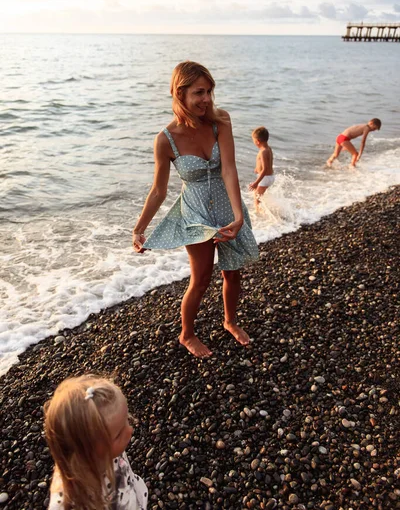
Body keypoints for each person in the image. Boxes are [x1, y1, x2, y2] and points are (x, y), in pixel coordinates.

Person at [132, 61, 258, 359]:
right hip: (196, 214)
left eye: (210, 91)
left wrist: (239, 216)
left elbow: (228, 169)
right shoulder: (165, 140)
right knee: (200, 278)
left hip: (228, 207)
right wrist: (139, 228)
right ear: (180, 93)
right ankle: (187, 334)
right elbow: (159, 191)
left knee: (233, 273)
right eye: (199, 92)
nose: (207, 99)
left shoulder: (220, 121)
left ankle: (230, 321)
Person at [44, 375, 148, 510]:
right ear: (86, 449)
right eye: (118, 434)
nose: (130, 430)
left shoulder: (102, 451)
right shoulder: (70, 502)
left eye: (126, 420)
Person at [248, 126, 274, 210]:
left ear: (258, 141)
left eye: (254, 141)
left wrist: (256, 182)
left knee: (257, 197)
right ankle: (265, 210)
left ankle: (259, 214)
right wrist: (257, 168)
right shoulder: (268, 149)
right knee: (259, 195)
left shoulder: (263, 152)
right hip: (269, 177)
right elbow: (269, 163)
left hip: (265, 177)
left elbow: (265, 169)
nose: (254, 143)